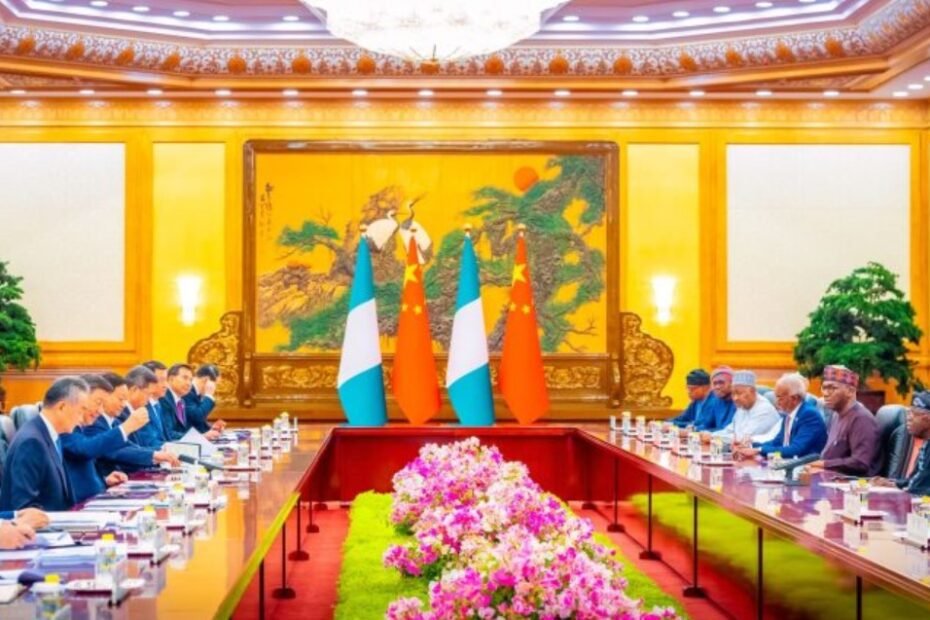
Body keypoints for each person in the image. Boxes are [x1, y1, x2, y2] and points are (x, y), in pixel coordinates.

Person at [60, 375, 155, 503]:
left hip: (94, 498)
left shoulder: (78, 427)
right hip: (79, 507)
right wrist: (126, 427)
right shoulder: (65, 429)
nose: (100, 411)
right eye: (98, 403)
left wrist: (104, 480)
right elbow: (86, 449)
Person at [0, 376, 88, 511]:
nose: (82, 419)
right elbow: (25, 507)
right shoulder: (31, 442)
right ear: (62, 407)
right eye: (81, 411)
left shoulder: (50, 435)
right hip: (43, 524)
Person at [90, 372, 180, 476]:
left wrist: (161, 452)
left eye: (125, 399)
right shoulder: (94, 422)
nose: (124, 404)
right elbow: (114, 451)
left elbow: (132, 447)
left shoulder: (114, 421)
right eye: (120, 399)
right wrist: (155, 454)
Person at [808, 365, 881, 477]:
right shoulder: (836, 415)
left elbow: (860, 463)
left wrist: (824, 464)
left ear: (850, 391)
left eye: (832, 388)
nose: (825, 394)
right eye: (824, 388)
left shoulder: (861, 419)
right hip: (831, 479)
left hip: (856, 485)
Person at [737, 372, 827, 460]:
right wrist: (749, 447)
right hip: (788, 463)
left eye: (780, 398)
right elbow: (777, 443)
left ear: (794, 398)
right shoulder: (788, 414)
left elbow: (795, 450)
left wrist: (759, 450)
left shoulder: (809, 415)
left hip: (806, 465)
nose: (776, 402)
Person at [871, 391, 930, 494]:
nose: (909, 418)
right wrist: (893, 483)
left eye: (914, 413)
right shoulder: (926, 445)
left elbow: (921, 490)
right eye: (909, 412)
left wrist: (903, 493)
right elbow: (915, 480)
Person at [706, 370, 781, 445]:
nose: (735, 398)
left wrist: (712, 437)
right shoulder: (743, 407)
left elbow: (742, 438)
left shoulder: (764, 410)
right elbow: (729, 430)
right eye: (733, 394)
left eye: (739, 393)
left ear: (752, 391)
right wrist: (710, 435)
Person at [132, 364, 170, 449]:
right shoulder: (141, 406)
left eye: (166, 380)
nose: (166, 385)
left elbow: (166, 436)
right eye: (161, 380)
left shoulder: (158, 404)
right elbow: (148, 441)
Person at [183, 364, 227, 433]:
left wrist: (211, 428)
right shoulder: (187, 391)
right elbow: (196, 417)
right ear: (206, 380)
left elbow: (195, 422)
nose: (215, 389)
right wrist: (209, 396)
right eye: (216, 384)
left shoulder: (197, 393)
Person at [694, 366, 736, 432]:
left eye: (721, 383)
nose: (717, 387)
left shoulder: (738, 402)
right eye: (715, 383)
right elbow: (707, 424)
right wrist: (694, 429)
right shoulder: (716, 401)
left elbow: (728, 430)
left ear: (732, 383)